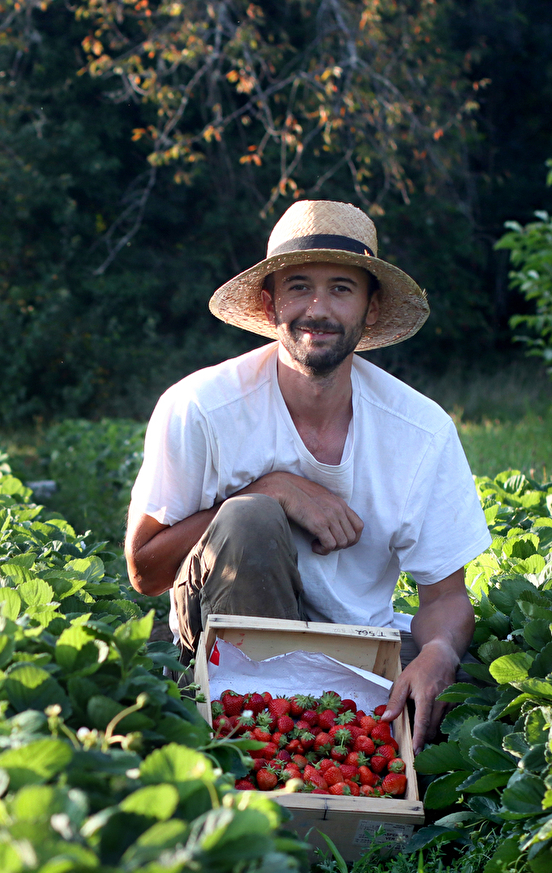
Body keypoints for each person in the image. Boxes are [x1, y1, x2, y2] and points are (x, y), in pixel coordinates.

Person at [124, 200, 489, 748]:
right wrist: (265, 489)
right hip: (231, 637)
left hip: (356, 643)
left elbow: (445, 598)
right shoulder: (201, 406)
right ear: (270, 303)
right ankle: (242, 725)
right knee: (250, 519)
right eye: (298, 287)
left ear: (370, 307)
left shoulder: (420, 429)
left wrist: (438, 655)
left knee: (477, 686)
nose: (318, 308)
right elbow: (145, 571)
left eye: (342, 288)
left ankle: (328, 751)